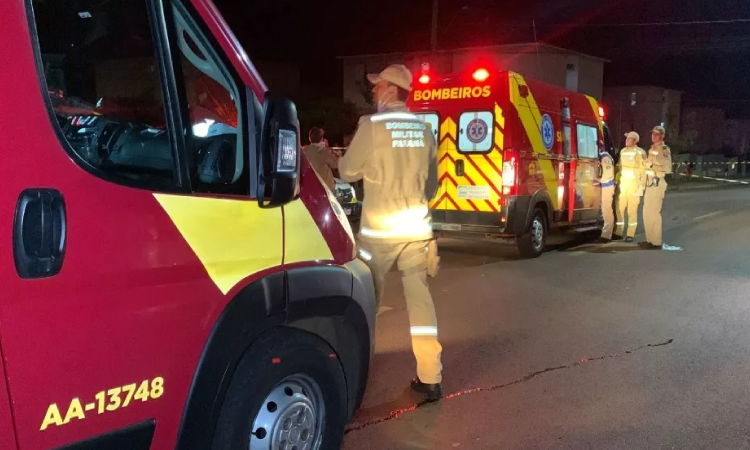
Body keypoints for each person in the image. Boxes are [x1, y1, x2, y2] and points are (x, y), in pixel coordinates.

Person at [338, 64, 443, 400]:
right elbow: (431, 186)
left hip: (379, 235)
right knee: (421, 304)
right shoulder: (425, 130)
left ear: (390, 89)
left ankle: (359, 379)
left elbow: (347, 170)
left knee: (369, 305)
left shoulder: (372, 126)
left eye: (377, 85)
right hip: (416, 232)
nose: (373, 91)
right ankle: (430, 377)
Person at [640, 126, 673, 250]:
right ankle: (649, 240)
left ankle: (656, 242)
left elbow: (667, 168)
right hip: (650, 183)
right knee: (646, 212)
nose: (653, 136)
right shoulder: (652, 149)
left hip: (657, 182)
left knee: (654, 212)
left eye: (656, 134)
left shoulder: (664, 149)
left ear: (661, 136)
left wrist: (652, 164)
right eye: (652, 133)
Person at [614, 131, 647, 242]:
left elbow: (644, 171)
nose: (626, 140)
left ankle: (630, 234)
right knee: (619, 209)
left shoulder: (640, 152)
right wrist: (616, 181)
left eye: (629, 138)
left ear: (635, 141)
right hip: (623, 185)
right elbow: (619, 168)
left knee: (632, 211)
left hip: (634, 186)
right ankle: (619, 232)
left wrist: (641, 187)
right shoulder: (623, 151)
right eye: (626, 138)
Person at [302, 127, 338, 192]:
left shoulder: (305, 151)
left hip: (311, 187)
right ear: (321, 138)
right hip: (325, 189)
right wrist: (328, 148)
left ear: (309, 138)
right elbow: (335, 165)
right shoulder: (324, 151)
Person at [596, 147, 616, 243]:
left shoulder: (605, 157)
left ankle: (606, 235)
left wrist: (598, 181)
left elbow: (608, 173)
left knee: (607, 210)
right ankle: (606, 233)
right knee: (604, 210)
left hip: (607, 186)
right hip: (604, 186)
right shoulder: (600, 156)